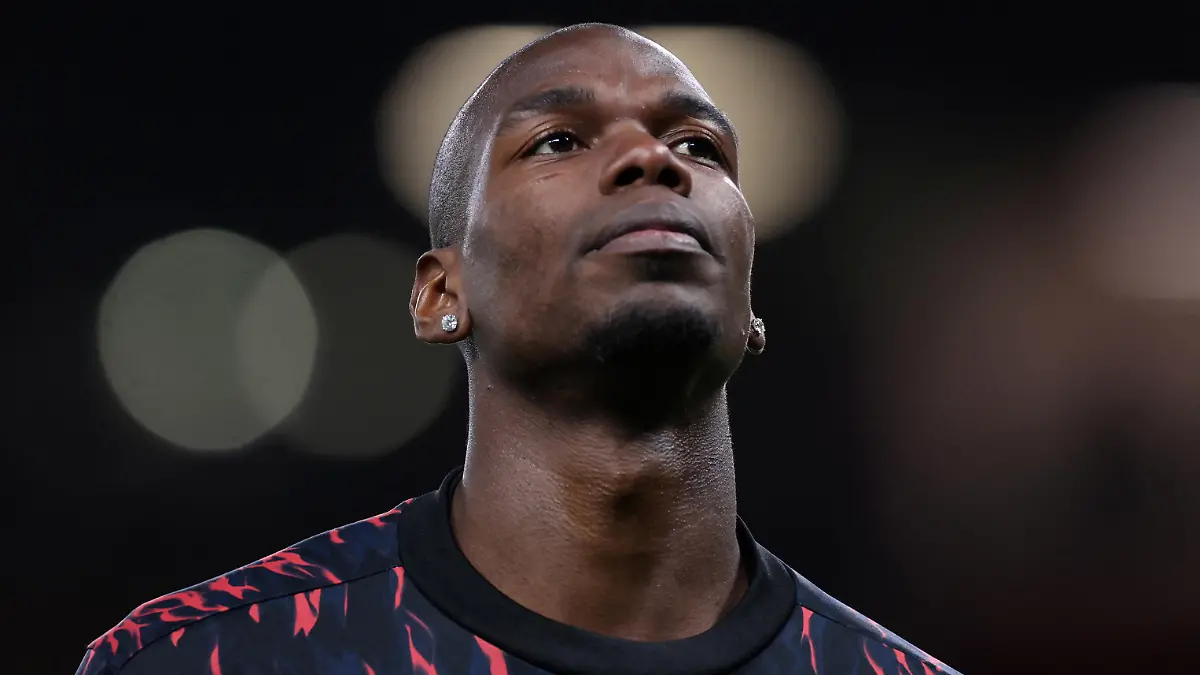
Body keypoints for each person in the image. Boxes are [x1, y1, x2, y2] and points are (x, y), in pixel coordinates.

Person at [76, 23, 962, 675]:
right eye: (560, 141)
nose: (652, 160)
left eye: (698, 145)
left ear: (750, 299)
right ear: (440, 294)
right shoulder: (209, 656)